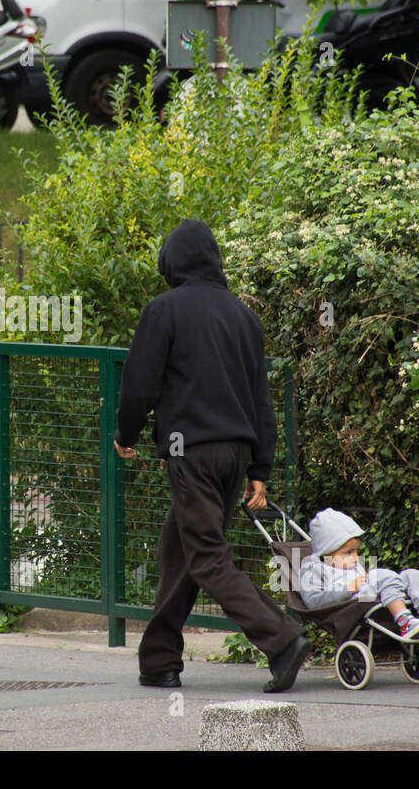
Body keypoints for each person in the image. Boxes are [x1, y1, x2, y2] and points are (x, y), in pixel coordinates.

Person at [116, 219, 311, 693]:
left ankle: (283, 639)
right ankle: (159, 661)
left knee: (205, 556)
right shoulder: (244, 316)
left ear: (173, 262)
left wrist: (127, 432)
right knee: (178, 547)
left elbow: (140, 380)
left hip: (192, 452)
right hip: (235, 453)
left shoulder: (164, 310)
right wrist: (260, 466)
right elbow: (260, 398)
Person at [298, 507, 419, 638]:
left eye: (356, 551)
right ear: (326, 552)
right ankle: (405, 622)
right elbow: (314, 603)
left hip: (373, 598)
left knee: (411, 575)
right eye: (348, 553)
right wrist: (348, 589)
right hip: (350, 608)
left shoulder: (349, 565)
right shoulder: (313, 568)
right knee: (378, 575)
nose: (355, 558)